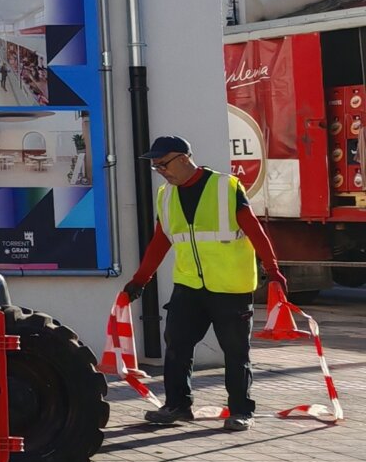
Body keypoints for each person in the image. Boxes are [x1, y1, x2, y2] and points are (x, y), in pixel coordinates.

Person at [122, 134, 285, 431]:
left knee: (235, 353)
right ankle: (177, 406)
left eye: (163, 164)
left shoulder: (225, 186)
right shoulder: (166, 195)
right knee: (176, 346)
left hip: (230, 287)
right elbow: (161, 241)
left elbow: (254, 231)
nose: (161, 171)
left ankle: (241, 411)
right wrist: (139, 280)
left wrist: (273, 271)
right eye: (156, 167)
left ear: (184, 158)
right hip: (189, 287)